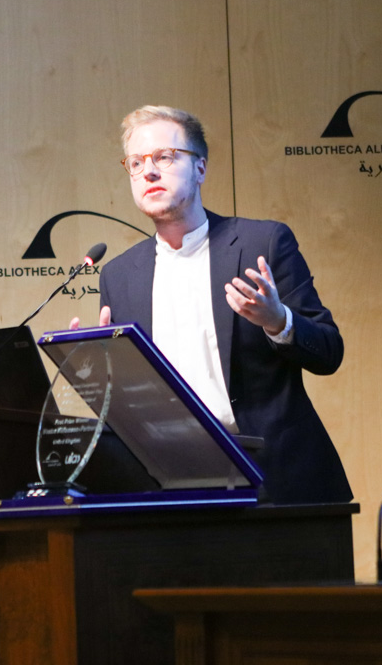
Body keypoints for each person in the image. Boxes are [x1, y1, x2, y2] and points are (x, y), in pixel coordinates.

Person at [75, 105, 351, 504]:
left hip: (272, 479)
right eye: (136, 163)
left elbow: (328, 352)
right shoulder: (118, 276)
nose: (148, 172)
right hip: (170, 481)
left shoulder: (262, 243)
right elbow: (132, 405)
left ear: (200, 168)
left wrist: (279, 322)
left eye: (164, 157)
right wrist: (100, 371)